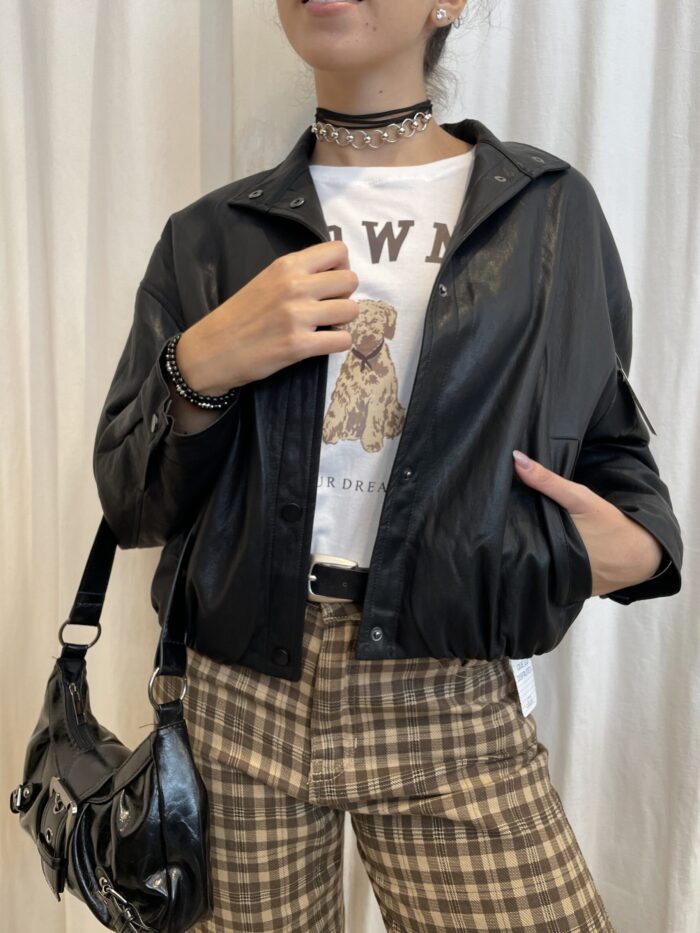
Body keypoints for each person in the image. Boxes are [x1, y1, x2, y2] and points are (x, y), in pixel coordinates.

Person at [93, 1, 683, 930]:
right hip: (239, 694)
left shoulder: (545, 212)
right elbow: (135, 505)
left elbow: (608, 445)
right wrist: (199, 363)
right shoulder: (213, 234)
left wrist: (628, 549)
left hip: (448, 683)